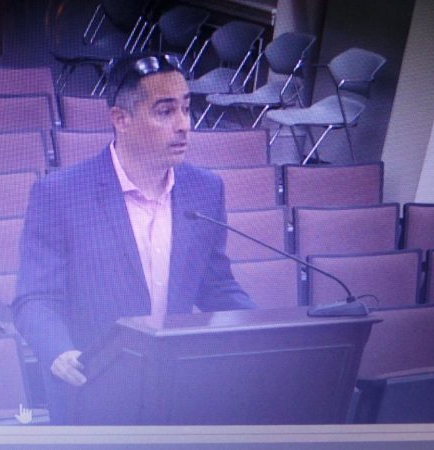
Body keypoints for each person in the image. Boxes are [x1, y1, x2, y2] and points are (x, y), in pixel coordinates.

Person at [14, 53, 254, 423]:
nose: (183, 125)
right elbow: (35, 299)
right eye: (165, 111)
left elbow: (217, 286)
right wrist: (59, 351)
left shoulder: (205, 189)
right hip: (93, 389)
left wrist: (266, 331)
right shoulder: (61, 194)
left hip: (175, 392)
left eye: (186, 108)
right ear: (121, 119)